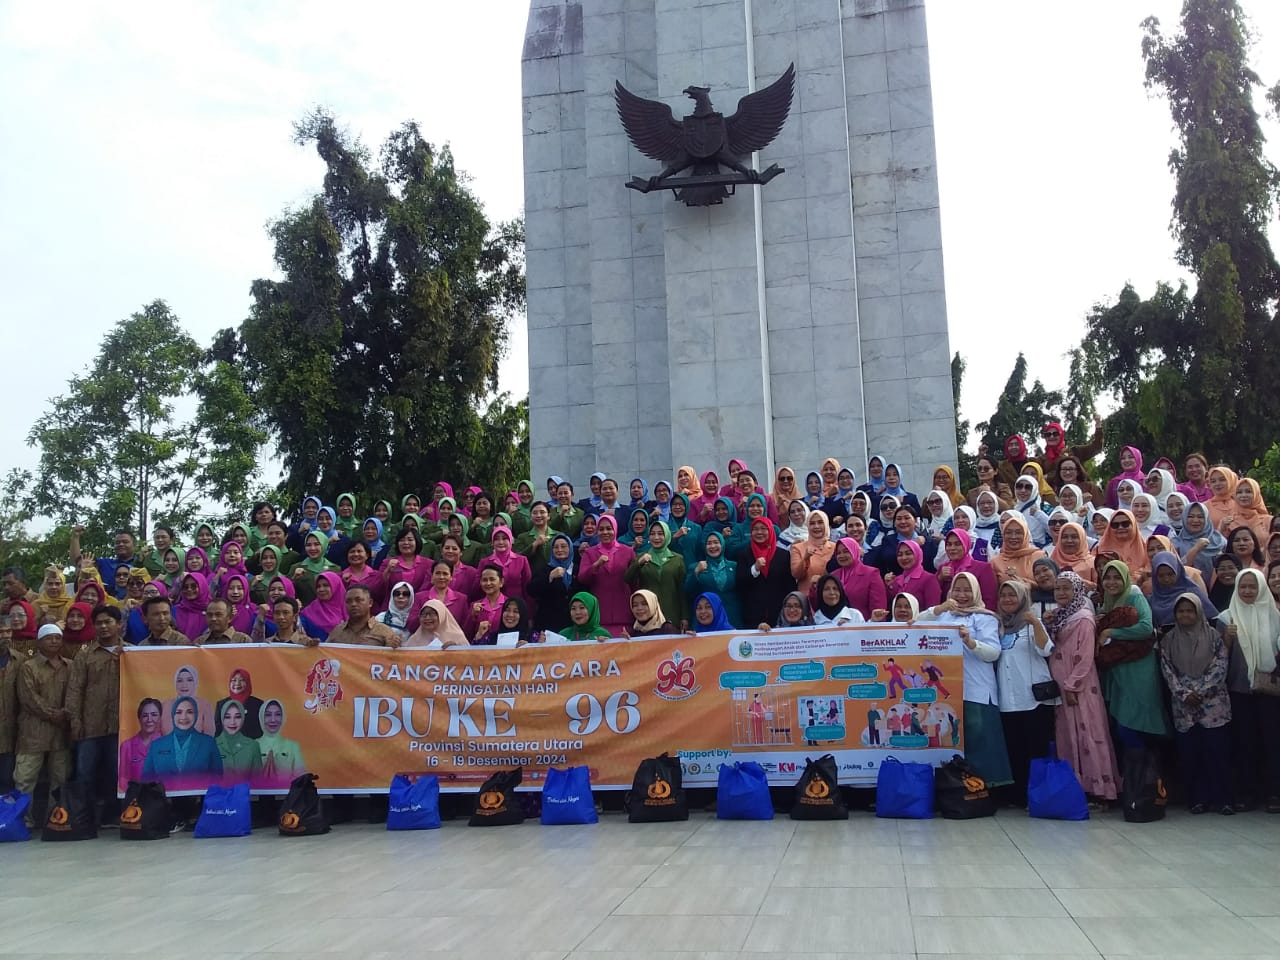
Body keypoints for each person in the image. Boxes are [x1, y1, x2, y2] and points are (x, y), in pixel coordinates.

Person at [921, 573, 1013, 788]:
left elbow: (993, 653)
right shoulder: (944, 616)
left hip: (976, 689)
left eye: (967, 590)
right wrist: (940, 608)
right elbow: (914, 622)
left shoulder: (985, 618)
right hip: (949, 692)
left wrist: (971, 642)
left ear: (976, 592)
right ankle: (955, 790)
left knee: (979, 740)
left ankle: (983, 789)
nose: (962, 595)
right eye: (957, 589)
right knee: (951, 740)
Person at [1048, 571, 1119, 802]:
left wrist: (1072, 686)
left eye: (1066, 588)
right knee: (1068, 735)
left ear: (1077, 590)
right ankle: (1074, 787)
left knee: (1086, 731)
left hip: (1078, 687)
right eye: (1058, 588)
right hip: (1061, 684)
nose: (1061, 593)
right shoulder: (1059, 615)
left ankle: (1097, 790)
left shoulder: (1083, 618)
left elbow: (1086, 656)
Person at [1160, 592, 1233, 815]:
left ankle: (1223, 800)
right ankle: (1197, 799)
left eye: (1190, 610)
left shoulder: (1213, 636)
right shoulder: (1169, 639)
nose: (1185, 615)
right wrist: (1184, 693)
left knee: (1217, 754)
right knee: (1191, 756)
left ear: (1199, 612)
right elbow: (1167, 669)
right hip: (1184, 707)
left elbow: (1220, 665)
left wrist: (1200, 691)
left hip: (1214, 704)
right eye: (1181, 611)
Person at [1095, 560, 1171, 756]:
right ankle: (1137, 775)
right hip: (1119, 668)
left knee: (1134, 722)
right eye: (1107, 578)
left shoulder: (1134, 595)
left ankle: (1150, 774)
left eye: (1117, 578)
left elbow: (1146, 628)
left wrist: (1112, 631)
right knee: (1122, 723)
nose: (1112, 582)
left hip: (1139, 668)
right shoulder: (1108, 601)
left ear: (1126, 579)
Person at [994, 581, 1058, 806]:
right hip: (1009, 698)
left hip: (1033, 699)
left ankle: (1039, 794)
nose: (1008, 599)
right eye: (1004, 596)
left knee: (1036, 748)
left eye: (1013, 595)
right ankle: (1018, 795)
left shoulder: (1032, 622)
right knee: (1015, 749)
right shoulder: (998, 625)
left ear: (1022, 598)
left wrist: (1036, 624)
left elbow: (1045, 649)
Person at [1224, 568, 1280, 812]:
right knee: (1244, 743)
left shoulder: (1275, 616)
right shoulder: (1226, 618)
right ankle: (1246, 793)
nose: (1247, 591)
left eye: (1252, 586)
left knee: (1272, 743)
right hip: (1239, 690)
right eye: (1243, 587)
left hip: (1270, 692)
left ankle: (1273, 794)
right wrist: (1227, 638)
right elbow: (1220, 658)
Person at [67, 605, 122, 823]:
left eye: (108, 621)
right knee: (84, 773)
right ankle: (83, 818)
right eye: (99, 622)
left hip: (120, 725)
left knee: (116, 773)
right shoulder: (85, 655)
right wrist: (75, 719)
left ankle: (116, 815)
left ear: (119, 625)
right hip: (90, 725)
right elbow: (74, 689)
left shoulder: (130, 652)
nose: (103, 626)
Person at [14, 624, 72, 828]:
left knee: (60, 778)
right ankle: (23, 821)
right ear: (39, 642)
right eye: (49, 638)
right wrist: (53, 714)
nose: (54, 641)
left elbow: (74, 693)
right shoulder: (28, 667)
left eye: (57, 637)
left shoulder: (70, 665)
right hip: (33, 733)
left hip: (60, 734)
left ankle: (55, 819)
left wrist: (67, 712)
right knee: (25, 780)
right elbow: (28, 698)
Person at [143, 696, 223, 784]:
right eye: (179, 712)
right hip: (164, 797)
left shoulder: (208, 743)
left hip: (199, 797)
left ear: (195, 714)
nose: (184, 717)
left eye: (189, 712)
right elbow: (146, 779)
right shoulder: (157, 745)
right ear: (173, 715)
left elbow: (218, 778)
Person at [625, 521, 687, 633]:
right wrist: (638, 564)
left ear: (667, 535)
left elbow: (682, 591)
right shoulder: (641, 557)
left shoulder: (677, 559)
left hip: (671, 614)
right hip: (648, 617)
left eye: (660, 534)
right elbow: (628, 579)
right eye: (652, 534)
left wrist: (684, 616)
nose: (656, 537)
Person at [736, 517, 794, 629]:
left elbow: (789, 585)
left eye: (763, 528)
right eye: (755, 529)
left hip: (779, 615)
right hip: (752, 616)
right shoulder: (744, 555)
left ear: (770, 531)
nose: (759, 532)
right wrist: (754, 569)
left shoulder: (783, 555)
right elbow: (739, 584)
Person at [686, 530, 741, 628]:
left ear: (722, 544)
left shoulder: (734, 566)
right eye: (709, 543)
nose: (712, 546)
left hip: (732, 617)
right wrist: (696, 572)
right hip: (706, 619)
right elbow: (688, 591)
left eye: (716, 542)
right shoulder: (695, 567)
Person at [326, 584, 402, 646]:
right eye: (348, 601)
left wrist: (394, 647)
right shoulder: (337, 631)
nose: (353, 604)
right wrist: (315, 648)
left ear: (370, 603)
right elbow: (324, 653)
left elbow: (394, 660)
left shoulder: (384, 631)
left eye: (358, 600)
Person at [117, 698, 162, 794]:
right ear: (139, 718)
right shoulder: (126, 746)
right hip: (135, 801)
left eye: (154, 715)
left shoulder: (169, 745)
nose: (149, 720)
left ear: (160, 718)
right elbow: (123, 778)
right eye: (145, 715)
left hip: (161, 801)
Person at [257, 698, 305, 788]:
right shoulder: (252, 746)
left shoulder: (292, 746)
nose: (273, 720)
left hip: (286, 798)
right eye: (268, 715)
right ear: (261, 717)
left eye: (278, 714)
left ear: (283, 717)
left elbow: (301, 777)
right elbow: (245, 778)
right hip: (256, 798)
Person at [214, 699, 263, 781]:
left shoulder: (253, 746)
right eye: (227, 717)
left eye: (237, 717)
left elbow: (258, 782)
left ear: (243, 718)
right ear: (222, 718)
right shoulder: (212, 744)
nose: (232, 722)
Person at [790, 509, 835, 596]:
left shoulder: (836, 547)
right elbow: (796, 574)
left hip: (831, 597)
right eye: (812, 523)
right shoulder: (798, 547)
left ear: (826, 524)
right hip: (807, 598)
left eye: (820, 522)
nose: (816, 526)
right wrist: (806, 558)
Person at [300, 571, 348, 642]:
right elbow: (299, 635)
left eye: (326, 585)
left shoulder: (349, 609)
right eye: (318, 586)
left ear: (336, 586)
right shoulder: (309, 612)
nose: (321, 589)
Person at [405, 598, 469, 648]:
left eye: (432, 614)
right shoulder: (415, 639)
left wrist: (456, 650)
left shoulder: (457, 636)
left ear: (441, 615)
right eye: (423, 614)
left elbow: (469, 660)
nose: (427, 618)